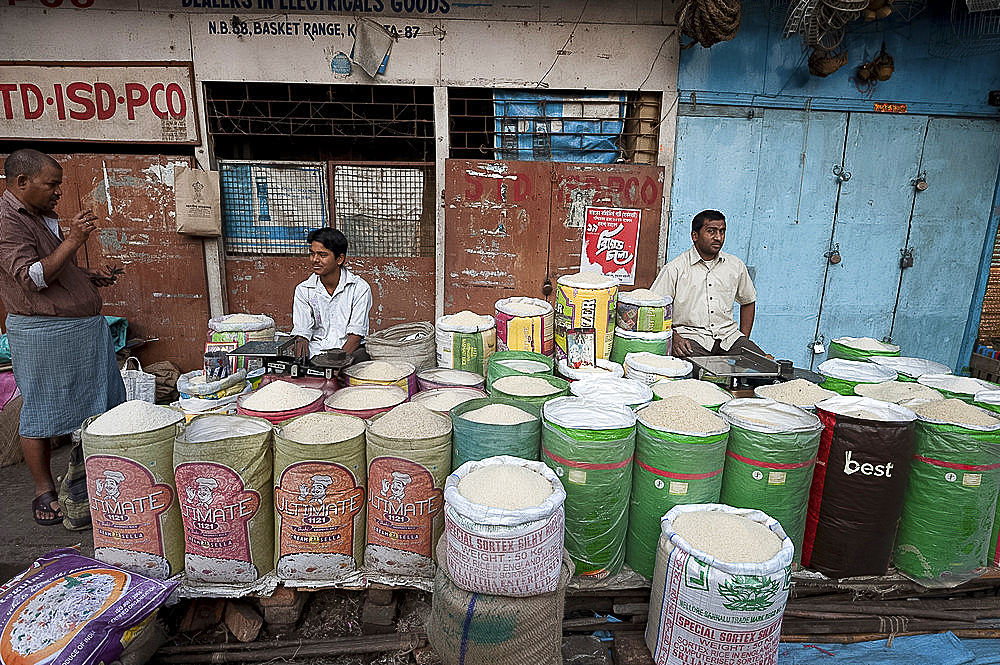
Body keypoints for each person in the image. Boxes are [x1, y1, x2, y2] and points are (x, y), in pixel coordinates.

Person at [0, 148, 126, 526]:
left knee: (101, 402)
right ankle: (43, 491)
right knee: (40, 412)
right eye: (51, 184)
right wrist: (74, 239)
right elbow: (32, 279)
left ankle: (91, 479)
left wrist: (87, 275)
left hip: (80, 330)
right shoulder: (7, 221)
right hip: (44, 333)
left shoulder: (42, 217)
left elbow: (56, 271)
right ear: (22, 182)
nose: (58, 192)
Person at [650, 209, 764, 358]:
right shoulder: (675, 269)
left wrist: (744, 338)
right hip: (691, 339)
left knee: (766, 369)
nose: (718, 237)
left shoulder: (735, 265)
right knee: (701, 374)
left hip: (729, 338)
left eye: (722, 231)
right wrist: (674, 337)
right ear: (695, 236)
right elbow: (654, 309)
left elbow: (748, 301)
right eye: (711, 231)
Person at [291, 227, 373, 363]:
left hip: (348, 353)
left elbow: (356, 336)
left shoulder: (359, 288)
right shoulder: (303, 290)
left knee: (362, 357)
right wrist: (301, 362)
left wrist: (334, 364)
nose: (315, 260)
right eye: (312, 254)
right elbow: (302, 333)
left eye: (322, 255)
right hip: (315, 353)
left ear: (339, 259)